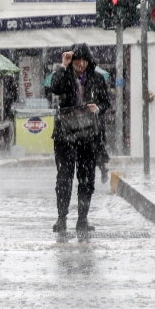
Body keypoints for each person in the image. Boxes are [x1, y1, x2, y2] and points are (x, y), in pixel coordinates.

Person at [48, 44, 111, 233]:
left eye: (84, 61)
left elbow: (106, 102)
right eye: (77, 60)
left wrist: (97, 108)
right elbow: (55, 88)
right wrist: (63, 65)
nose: (80, 64)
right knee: (64, 178)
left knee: (86, 179)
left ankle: (82, 219)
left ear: (89, 61)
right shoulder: (64, 75)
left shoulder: (97, 78)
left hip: (89, 135)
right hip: (65, 135)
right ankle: (62, 218)